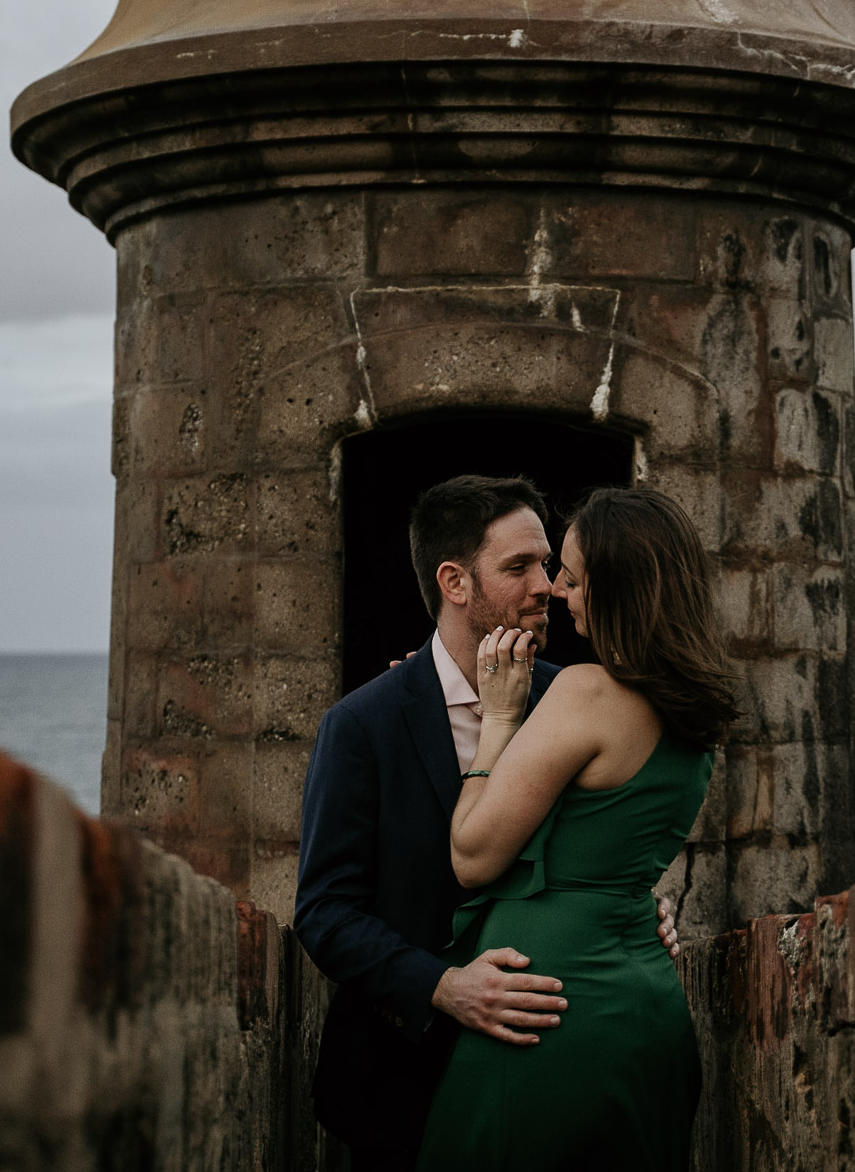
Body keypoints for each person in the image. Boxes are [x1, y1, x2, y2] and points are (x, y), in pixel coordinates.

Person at [293, 474, 682, 1172]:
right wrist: (442, 987)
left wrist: (628, 907)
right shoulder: (362, 725)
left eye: (549, 564)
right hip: (401, 1083)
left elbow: (584, 852)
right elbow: (324, 912)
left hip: (555, 1073)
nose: (548, 586)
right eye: (519, 567)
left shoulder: (575, 700)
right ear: (455, 582)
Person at [415, 485, 737, 1172]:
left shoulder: (587, 693)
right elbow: (616, 851)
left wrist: (499, 719)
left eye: (572, 575)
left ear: (616, 590)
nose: (557, 590)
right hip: (645, 1001)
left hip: (553, 1014)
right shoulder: (693, 715)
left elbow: (471, 857)